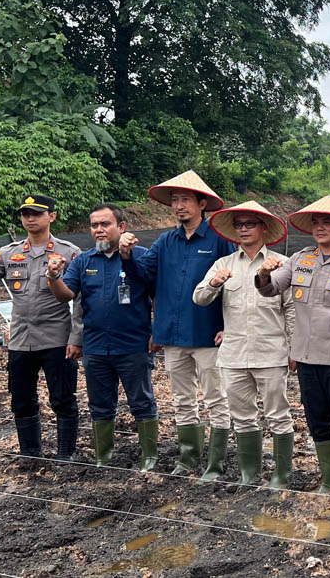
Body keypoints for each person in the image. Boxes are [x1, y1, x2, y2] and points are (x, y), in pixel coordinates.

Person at [256, 195, 330, 496]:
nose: (320, 228)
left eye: (327, 222)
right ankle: (329, 480)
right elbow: (271, 288)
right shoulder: (299, 259)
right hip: (306, 358)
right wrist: (262, 273)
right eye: (316, 223)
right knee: (316, 420)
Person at [119, 170, 234, 481]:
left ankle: (216, 462)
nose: (179, 206)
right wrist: (127, 255)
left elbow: (232, 287)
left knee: (215, 396)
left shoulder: (221, 240)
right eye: (175, 201)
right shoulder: (165, 241)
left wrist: (229, 326)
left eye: (185, 200)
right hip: (172, 333)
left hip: (209, 333)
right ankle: (188, 456)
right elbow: (143, 274)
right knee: (182, 398)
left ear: (202, 204)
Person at [48, 204, 158, 471]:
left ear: (121, 227)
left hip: (134, 344)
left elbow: (158, 296)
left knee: (142, 402)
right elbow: (67, 296)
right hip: (96, 347)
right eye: (94, 225)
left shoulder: (141, 256)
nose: (99, 230)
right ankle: (104, 457)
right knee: (99, 404)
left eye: (105, 224)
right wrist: (53, 276)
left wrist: (158, 331)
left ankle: (150, 457)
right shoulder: (84, 261)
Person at [194, 201, 295, 488]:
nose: (244, 229)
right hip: (234, 355)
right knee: (243, 417)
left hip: (270, 352)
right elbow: (198, 298)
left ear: (263, 228)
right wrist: (214, 283)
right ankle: (249, 473)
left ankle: (281, 475)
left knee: (278, 414)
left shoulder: (281, 264)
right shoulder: (223, 265)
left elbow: (291, 310)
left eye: (250, 224)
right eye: (239, 225)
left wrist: (294, 346)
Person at [0, 195, 82, 463]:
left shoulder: (69, 253)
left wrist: (77, 336)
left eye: (36, 213)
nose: (30, 219)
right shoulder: (9, 253)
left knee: (62, 398)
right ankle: (30, 454)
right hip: (21, 339)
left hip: (57, 337)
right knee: (21, 399)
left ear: (52, 217)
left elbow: (80, 299)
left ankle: (66, 454)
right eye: (25, 214)